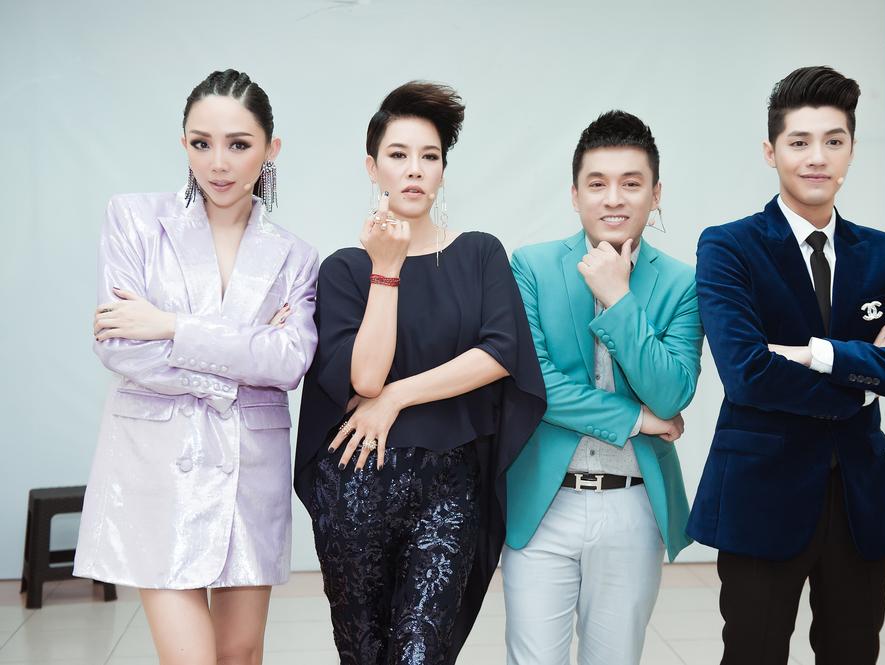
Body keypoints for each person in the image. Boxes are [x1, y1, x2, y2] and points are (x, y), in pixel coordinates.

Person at [686, 65, 885, 665]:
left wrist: (823, 355)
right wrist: (870, 377)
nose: (817, 158)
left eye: (833, 141)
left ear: (851, 151)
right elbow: (747, 373)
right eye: (799, 142)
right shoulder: (729, 246)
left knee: (853, 653)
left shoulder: (884, 254)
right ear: (771, 152)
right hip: (762, 496)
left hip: (859, 500)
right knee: (753, 654)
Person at [295, 80, 546, 665]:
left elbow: (500, 352)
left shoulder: (480, 253)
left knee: (421, 654)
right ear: (373, 167)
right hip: (356, 484)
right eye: (398, 154)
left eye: (429, 156)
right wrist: (386, 270)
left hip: (448, 485)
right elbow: (364, 378)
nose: (414, 169)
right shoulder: (344, 269)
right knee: (365, 654)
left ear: (442, 172)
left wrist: (396, 399)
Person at [74, 69, 319, 665]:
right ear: (183, 142)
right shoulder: (134, 221)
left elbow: (289, 361)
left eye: (239, 144)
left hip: (249, 471)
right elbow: (119, 345)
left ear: (271, 148)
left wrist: (171, 325)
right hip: (157, 469)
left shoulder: (295, 256)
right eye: (201, 143)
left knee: (241, 656)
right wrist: (244, 354)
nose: (218, 163)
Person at [502, 110, 703, 665]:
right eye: (597, 184)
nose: (614, 199)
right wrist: (637, 420)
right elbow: (537, 385)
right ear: (575, 195)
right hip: (545, 500)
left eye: (631, 184)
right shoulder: (532, 266)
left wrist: (618, 298)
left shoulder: (682, 282)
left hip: (633, 504)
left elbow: (671, 394)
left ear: (655, 194)